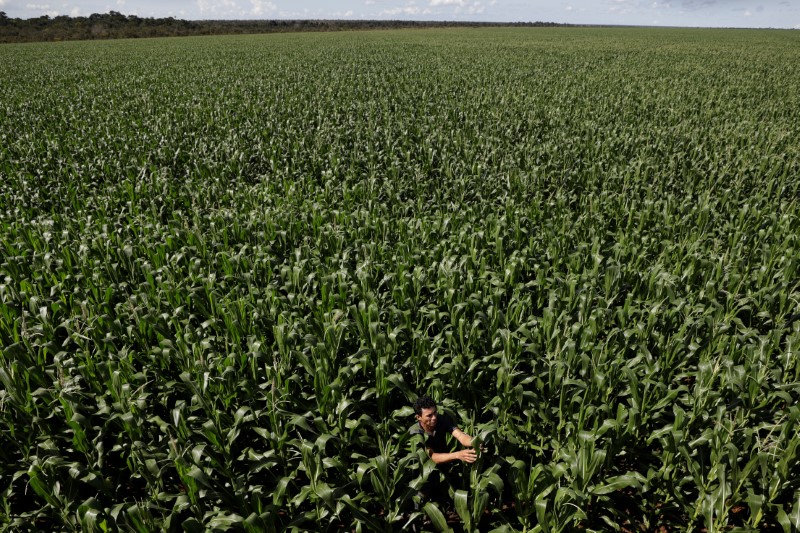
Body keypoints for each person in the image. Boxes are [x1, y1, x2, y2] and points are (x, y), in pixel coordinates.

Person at [408, 395, 477, 506]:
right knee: (420, 502)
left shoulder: (441, 420)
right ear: (418, 417)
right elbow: (432, 457)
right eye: (429, 415)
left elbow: (461, 436)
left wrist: (476, 442)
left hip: (442, 469)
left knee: (441, 501)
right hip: (422, 474)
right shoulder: (415, 433)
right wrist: (458, 455)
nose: (434, 417)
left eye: (435, 412)